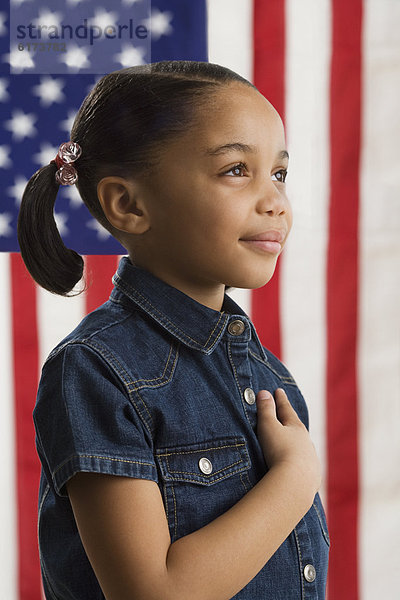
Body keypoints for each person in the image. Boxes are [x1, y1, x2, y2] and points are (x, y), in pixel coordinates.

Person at [18, 60, 329, 599]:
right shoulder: (96, 368)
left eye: (279, 173)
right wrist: (293, 480)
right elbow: (152, 591)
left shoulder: (266, 375)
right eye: (236, 169)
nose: (275, 200)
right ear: (129, 204)